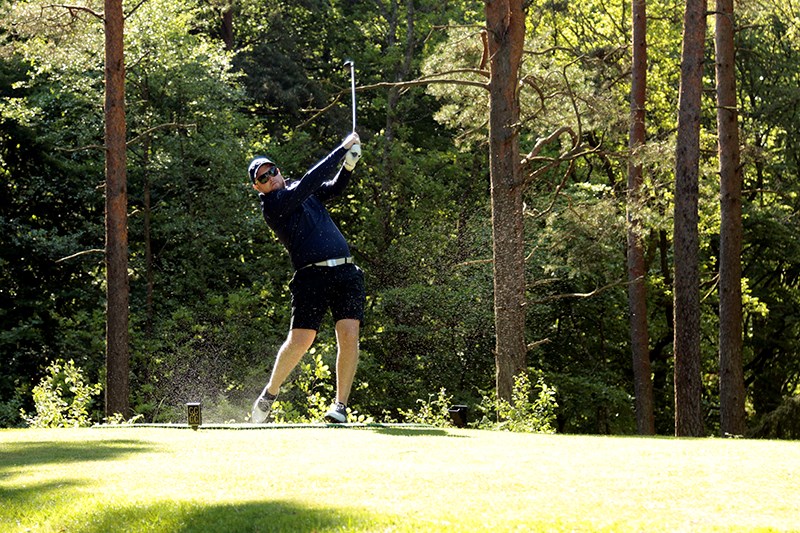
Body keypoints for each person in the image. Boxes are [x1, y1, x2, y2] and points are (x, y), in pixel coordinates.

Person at [248, 132, 364, 424]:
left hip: (345, 272)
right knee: (302, 339)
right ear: (258, 187)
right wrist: (341, 150)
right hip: (311, 276)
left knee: (349, 334)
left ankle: (339, 406)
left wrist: (348, 166)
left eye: (272, 171)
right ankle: (270, 394)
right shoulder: (274, 205)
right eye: (264, 178)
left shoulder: (300, 189)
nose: (271, 178)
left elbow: (334, 188)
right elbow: (311, 181)